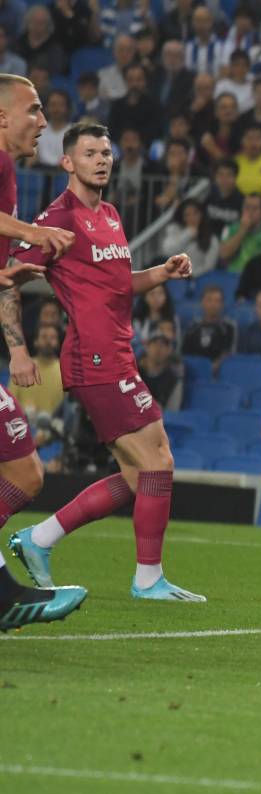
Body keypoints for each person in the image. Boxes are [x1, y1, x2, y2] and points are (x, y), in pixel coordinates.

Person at [11, 123, 204, 603]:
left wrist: (160, 273)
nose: (102, 160)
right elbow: (10, 278)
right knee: (158, 462)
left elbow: (118, 286)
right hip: (94, 359)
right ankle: (148, 579)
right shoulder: (58, 218)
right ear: (67, 162)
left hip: (118, 355)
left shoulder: (111, 215)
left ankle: (40, 538)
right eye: (90, 153)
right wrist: (17, 349)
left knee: (141, 474)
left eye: (107, 152)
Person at [0, 75, 90, 626]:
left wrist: (15, 348)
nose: (43, 121)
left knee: (25, 473)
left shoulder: (8, 176)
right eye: (33, 110)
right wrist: (33, 235)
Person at [181, 285, 237, 369]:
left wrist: (211, 368)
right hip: (193, 370)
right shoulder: (192, 327)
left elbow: (228, 354)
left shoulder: (229, 327)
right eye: (209, 300)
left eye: (217, 301)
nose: (213, 305)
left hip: (218, 371)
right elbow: (184, 354)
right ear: (202, 302)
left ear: (222, 304)